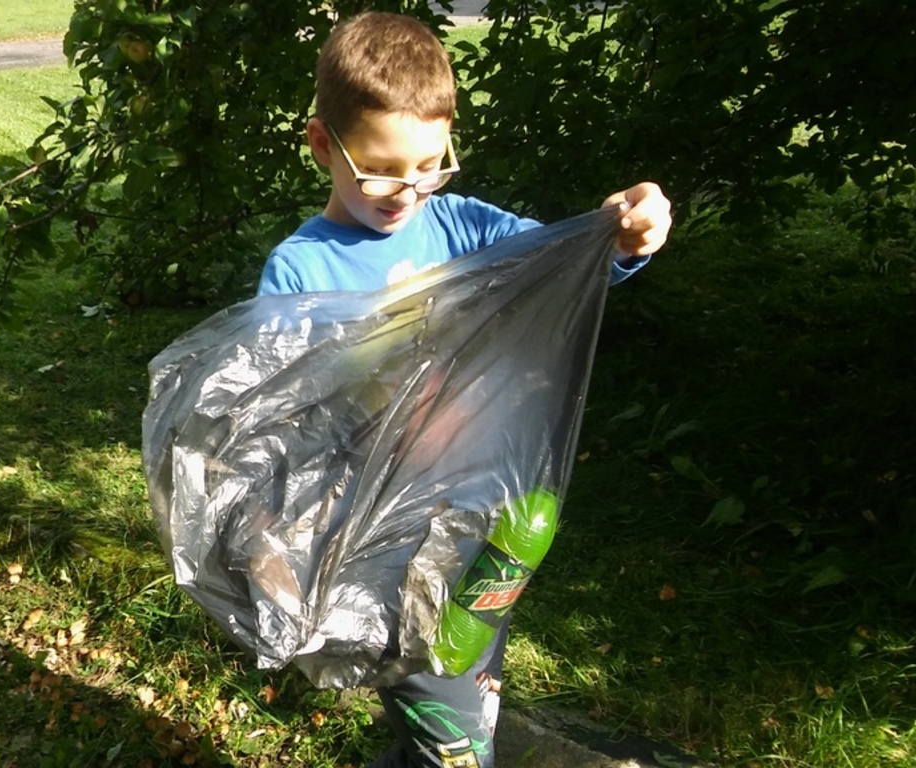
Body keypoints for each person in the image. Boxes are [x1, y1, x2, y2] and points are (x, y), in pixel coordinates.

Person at [254, 11, 672, 768]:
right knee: (457, 745)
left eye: (430, 165)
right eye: (380, 168)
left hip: (484, 528)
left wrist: (623, 233)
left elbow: (564, 267)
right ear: (322, 144)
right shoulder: (304, 270)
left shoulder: (465, 229)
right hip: (378, 548)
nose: (407, 190)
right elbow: (281, 417)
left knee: (471, 691)